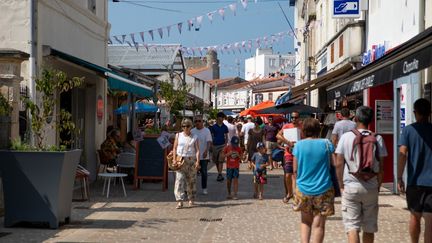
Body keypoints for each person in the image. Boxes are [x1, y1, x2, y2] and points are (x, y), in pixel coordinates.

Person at [335, 106, 388, 243]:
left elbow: (339, 163)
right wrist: (378, 186)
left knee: (352, 227)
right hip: (371, 187)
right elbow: (382, 168)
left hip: (350, 186)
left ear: (356, 119)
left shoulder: (346, 137)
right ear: (371, 120)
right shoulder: (378, 138)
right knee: (369, 227)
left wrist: (341, 185)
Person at [292, 118, 335, 243]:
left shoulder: (298, 145)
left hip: (303, 189)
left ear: (304, 131)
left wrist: (295, 188)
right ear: (319, 129)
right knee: (319, 225)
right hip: (324, 188)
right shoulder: (327, 143)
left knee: (305, 221)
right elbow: (335, 164)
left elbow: (295, 170)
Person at [397, 98, 432, 243]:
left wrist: (399, 177)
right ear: (430, 113)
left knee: (414, 216)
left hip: (414, 182)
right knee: (430, 221)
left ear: (415, 112)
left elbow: (403, 153)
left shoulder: (408, 130)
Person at [172, 118, 200, 209]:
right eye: (183, 126)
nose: (185, 128)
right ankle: (180, 201)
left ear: (191, 126)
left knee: (191, 181)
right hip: (181, 160)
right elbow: (175, 148)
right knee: (179, 180)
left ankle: (191, 199)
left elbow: (197, 150)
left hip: (191, 160)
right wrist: (174, 159)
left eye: (187, 126)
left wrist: (198, 161)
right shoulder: (178, 135)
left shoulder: (194, 136)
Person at [277, 111, 302, 203]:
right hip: (288, 153)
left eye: (296, 117)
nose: (294, 119)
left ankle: (297, 195)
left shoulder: (302, 127)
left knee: (297, 175)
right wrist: (288, 142)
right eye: (292, 117)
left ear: (299, 118)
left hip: (299, 154)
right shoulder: (286, 126)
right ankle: (289, 193)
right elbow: (278, 135)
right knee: (288, 175)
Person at [191, 115, 213, 195]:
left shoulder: (206, 131)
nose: (197, 123)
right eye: (196, 121)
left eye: (199, 121)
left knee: (204, 172)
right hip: (193, 155)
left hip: (204, 155)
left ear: (202, 122)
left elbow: (209, 142)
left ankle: (204, 188)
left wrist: (206, 151)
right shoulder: (192, 131)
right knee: (193, 173)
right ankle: (192, 188)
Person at [209, 112, 229, 182]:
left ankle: (220, 174)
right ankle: (219, 173)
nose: (222, 119)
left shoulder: (225, 127)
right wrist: (211, 145)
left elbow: (226, 137)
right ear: (217, 118)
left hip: (222, 145)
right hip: (215, 145)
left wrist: (226, 145)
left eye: (222, 117)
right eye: (220, 117)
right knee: (216, 161)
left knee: (221, 160)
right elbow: (211, 136)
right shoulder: (213, 127)